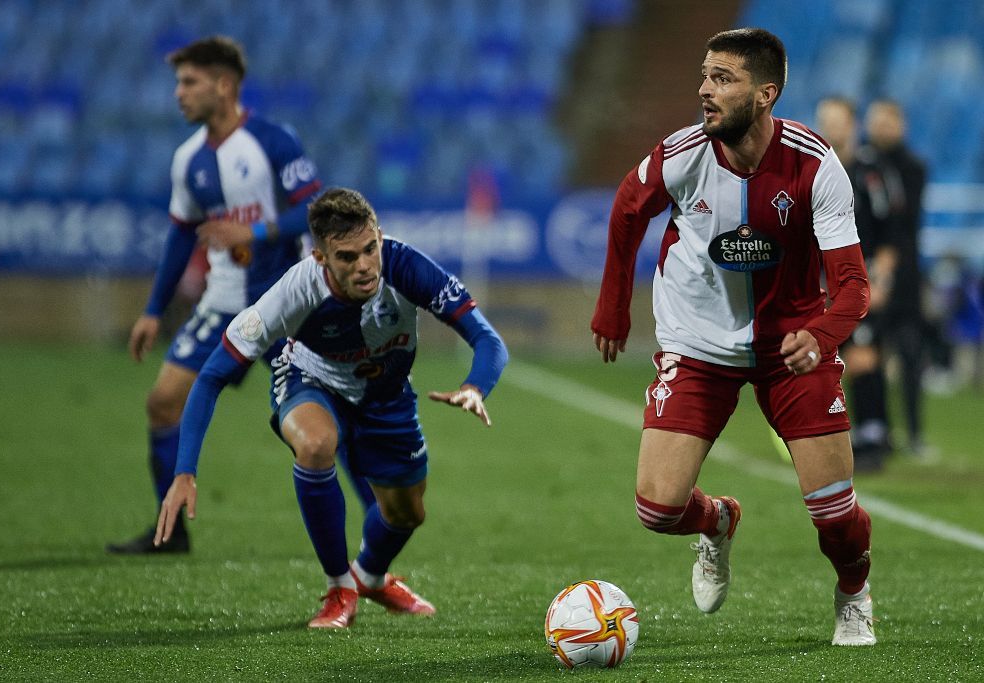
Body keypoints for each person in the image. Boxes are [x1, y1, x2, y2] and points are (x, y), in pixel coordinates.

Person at [591, 28, 876, 646]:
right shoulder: (682, 154)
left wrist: (822, 335)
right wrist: (614, 306)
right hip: (697, 345)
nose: (705, 91)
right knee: (657, 508)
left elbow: (853, 286)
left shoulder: (815, 166)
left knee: (833, 515)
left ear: (766, 93)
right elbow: (626, 209)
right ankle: (718, 520)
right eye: (704, 76)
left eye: (723, 79)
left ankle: (853, 590)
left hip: (791, 349)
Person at [153, 188, 508, 629]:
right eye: (346, 257)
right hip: (310, 380)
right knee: (317, 444)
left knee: (407, 514)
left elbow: (488, 340)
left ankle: (369, 577)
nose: (363, 265)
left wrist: (476, 386)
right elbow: (210, 376)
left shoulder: (407, 267)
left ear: (379, 236)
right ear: (321, 258)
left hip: (387, 396)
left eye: (369, 249)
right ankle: (339, 587)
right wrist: (184, 471)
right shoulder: (292, 292)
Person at [107, 36, 374, 555]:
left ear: (224, 85)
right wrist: (153, 310)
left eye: (189, 82)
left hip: (287, 305)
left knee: (332, 418)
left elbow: (318, 206)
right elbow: (182, 233)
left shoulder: (272, 141)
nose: (179, 94)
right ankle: (172, 533)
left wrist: (252, 234)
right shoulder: (188, 161)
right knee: (163, 403)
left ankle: (379, 524)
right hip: (224, 301)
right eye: (178, 83)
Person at [815, 97, 894, 470]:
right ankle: (853, 434)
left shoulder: (867, 171)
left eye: (836, 121)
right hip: (823, 286)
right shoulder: (813, 170)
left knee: (863, 359)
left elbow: (886, 233)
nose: (830, 128)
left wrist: (880, 279)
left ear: (853, 124)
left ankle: (872, 438)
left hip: (860, 281)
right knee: (832, 362)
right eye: (823, 121)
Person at [863, 99, 929, 456]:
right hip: (869, 272)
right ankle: (878, 430)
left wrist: (887, 274)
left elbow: (904, 222)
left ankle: (915, 432)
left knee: (910, 354)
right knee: (870, 355)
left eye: (887, 120)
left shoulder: (913, 168)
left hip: (904, 276)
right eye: (876, 120)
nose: (881, 127)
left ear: (901, 124)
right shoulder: (861, 165)